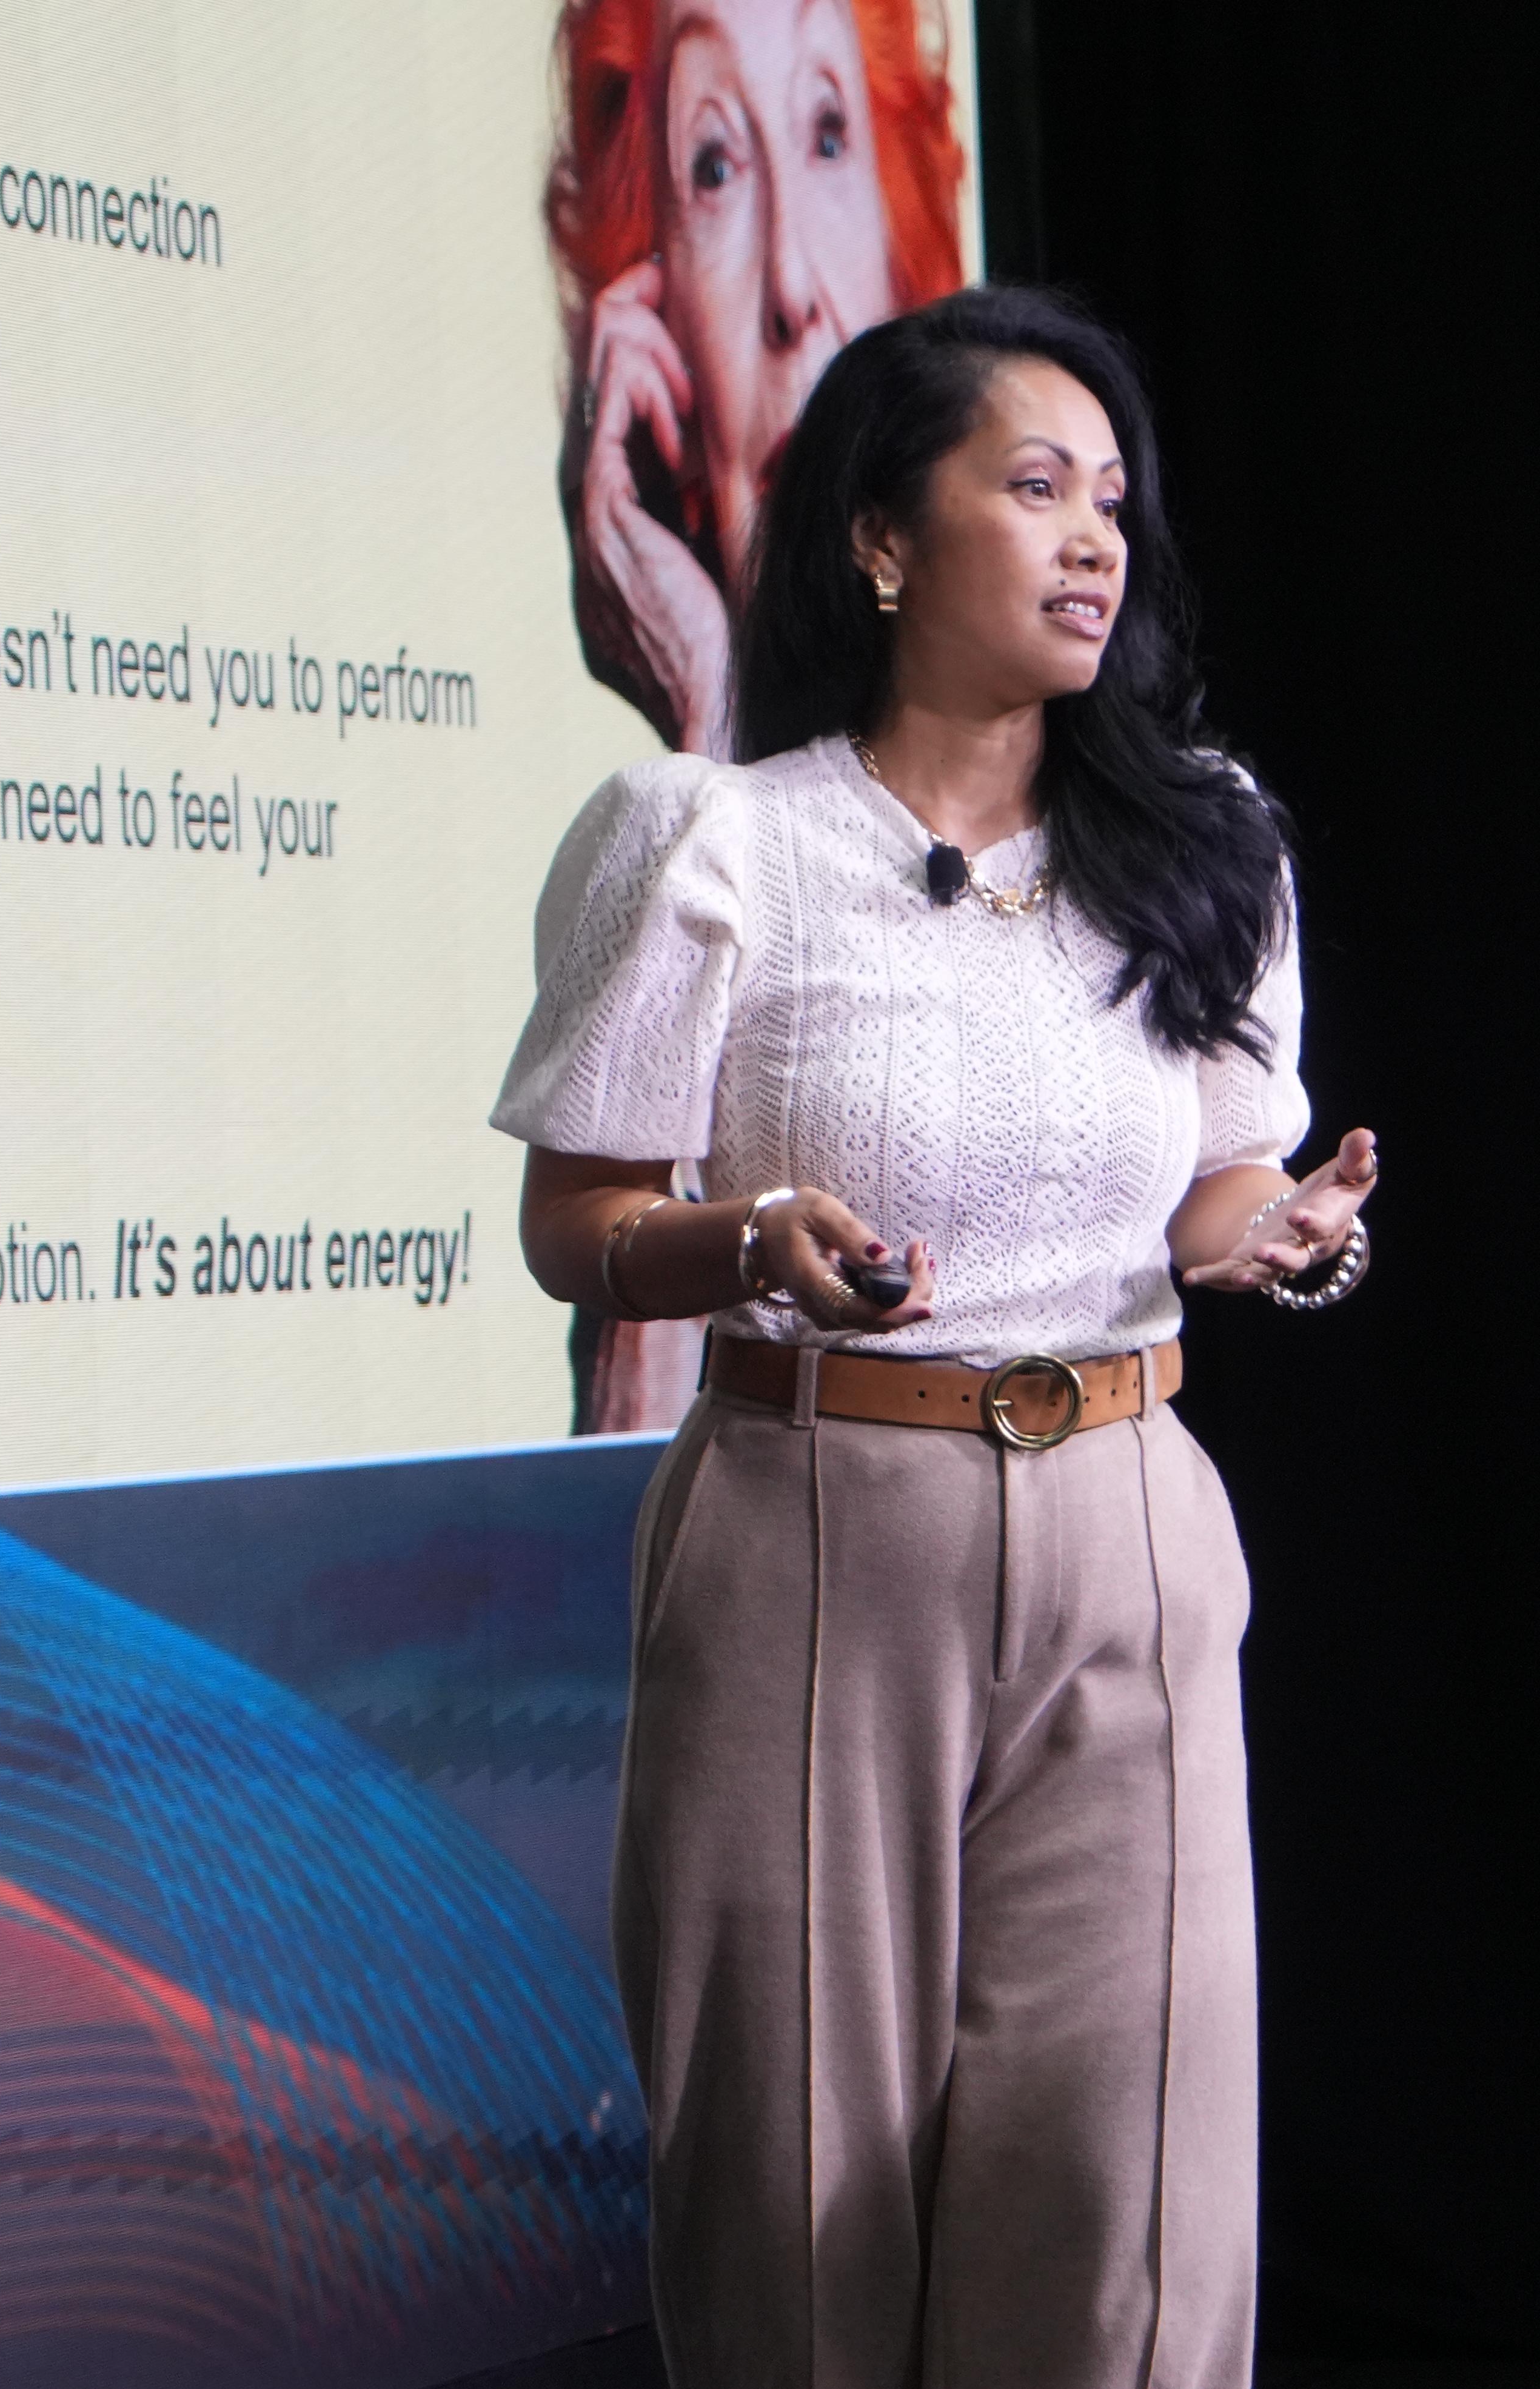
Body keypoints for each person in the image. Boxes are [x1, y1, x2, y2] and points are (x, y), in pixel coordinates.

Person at [491, 286, 1381, 2389]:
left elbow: (1211, 1181)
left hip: (1126, 1524)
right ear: (886, 542)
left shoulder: (1201, 845)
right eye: (1034, 486)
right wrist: (738, 1243)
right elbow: (578, 1217)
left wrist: (1274, 1225)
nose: (1095, 541)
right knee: (803, 2203)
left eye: (1113, 503)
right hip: (818, 1523)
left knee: (1126, 2199)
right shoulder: (714, 841)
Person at [545, 0, 972, 1434]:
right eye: (716, 168)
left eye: (832, 138)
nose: (795, 286)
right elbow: (633, 1525)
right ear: (643, 323)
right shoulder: (691, 822)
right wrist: (706, 693)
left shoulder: (1049, 814)